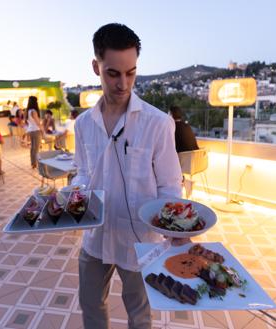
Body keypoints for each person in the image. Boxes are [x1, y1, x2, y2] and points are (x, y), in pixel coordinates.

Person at [72, 23, 183, 329]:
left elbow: (169, 184)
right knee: (91, 304)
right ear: (96, 67)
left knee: (140, 313)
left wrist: (177, 225)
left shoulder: (157, 123)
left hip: (140, 240)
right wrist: (71, 198)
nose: (124, 83)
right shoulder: (82, 125)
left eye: (131, 72)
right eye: (113, 73)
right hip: (95, 238)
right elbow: (83, 173)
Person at [26, 96, 43, 169]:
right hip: (36, 130)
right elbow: (38, 122)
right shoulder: (34, 111)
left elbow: (27, 122)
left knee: (33, 147)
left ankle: (33, 163)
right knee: (36, 148)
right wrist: (42, 130)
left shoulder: (27, 111)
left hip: (30, 130)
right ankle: (35, 163)